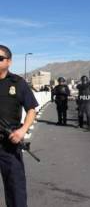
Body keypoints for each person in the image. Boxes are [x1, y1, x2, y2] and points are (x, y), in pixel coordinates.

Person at [0, 45, 38, 207]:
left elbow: (31, 109)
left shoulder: (18, 83)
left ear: (9, 61)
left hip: (9, 143)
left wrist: (22, 131)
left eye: (0, 58)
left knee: (15, 190)